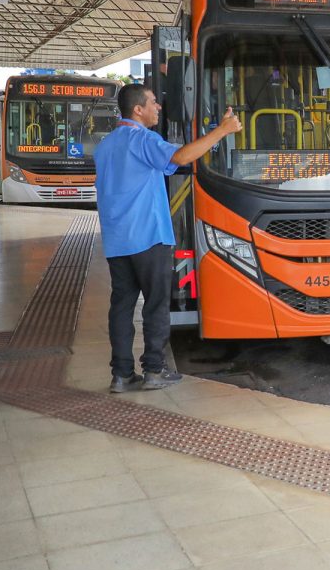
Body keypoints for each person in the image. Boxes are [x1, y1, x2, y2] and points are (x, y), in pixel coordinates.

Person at [95, 84, 241, 393]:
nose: (158, 107)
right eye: (152, 103)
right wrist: (222, 131)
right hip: (149, 237)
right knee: (156, 305)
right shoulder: (144, 139)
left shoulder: (106, 145)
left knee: (121, 307)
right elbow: (182, 157)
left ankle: (121, 375)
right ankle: (154, 370)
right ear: (138, 109)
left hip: (117, 241)